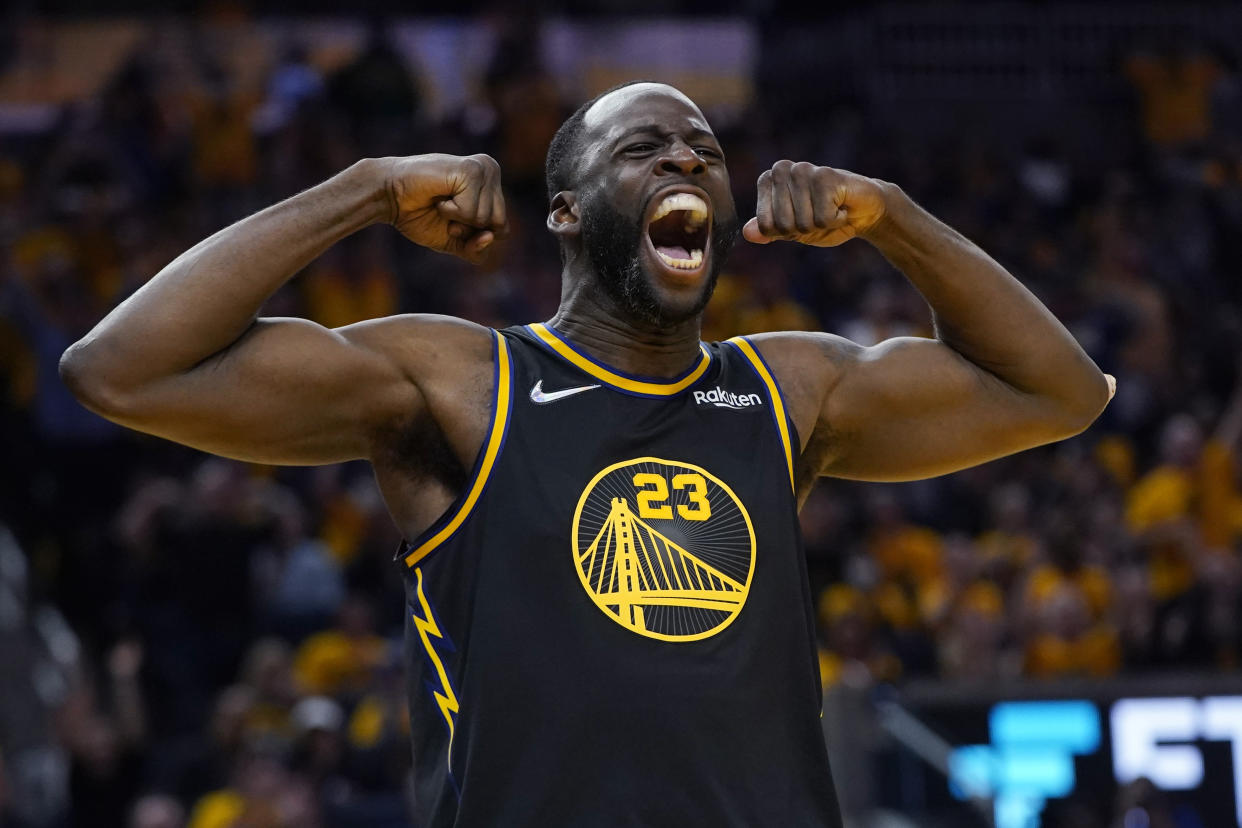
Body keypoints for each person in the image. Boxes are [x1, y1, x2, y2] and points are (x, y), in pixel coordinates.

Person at [59, 81, 1113, 826]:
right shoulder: (462, 382)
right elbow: (121, 370)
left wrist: (895, 218)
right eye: (642, 150)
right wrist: (370, 188)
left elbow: (1061, 393)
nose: (687, 161)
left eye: (702, 148)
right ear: (566, 212)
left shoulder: (787, 388)